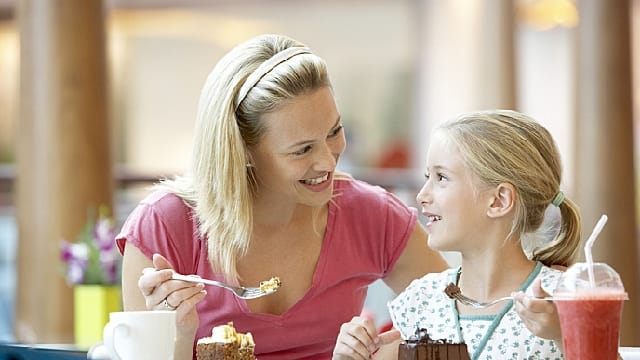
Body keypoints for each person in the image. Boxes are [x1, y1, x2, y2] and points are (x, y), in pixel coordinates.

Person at [115, 33, 450, 359]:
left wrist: (394, 352)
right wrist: (176, 334)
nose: (328, 160)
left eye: (334, 131)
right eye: (301, 150)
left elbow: (456, 323)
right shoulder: (164, 226)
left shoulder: (370, 214)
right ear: (242, 151)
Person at [334, 110, 581, 359]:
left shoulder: (564, 298)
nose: (421, 195)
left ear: (498, 200)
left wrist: (564, 335)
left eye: (441, 177)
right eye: (427, 177)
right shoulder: (421, 300)